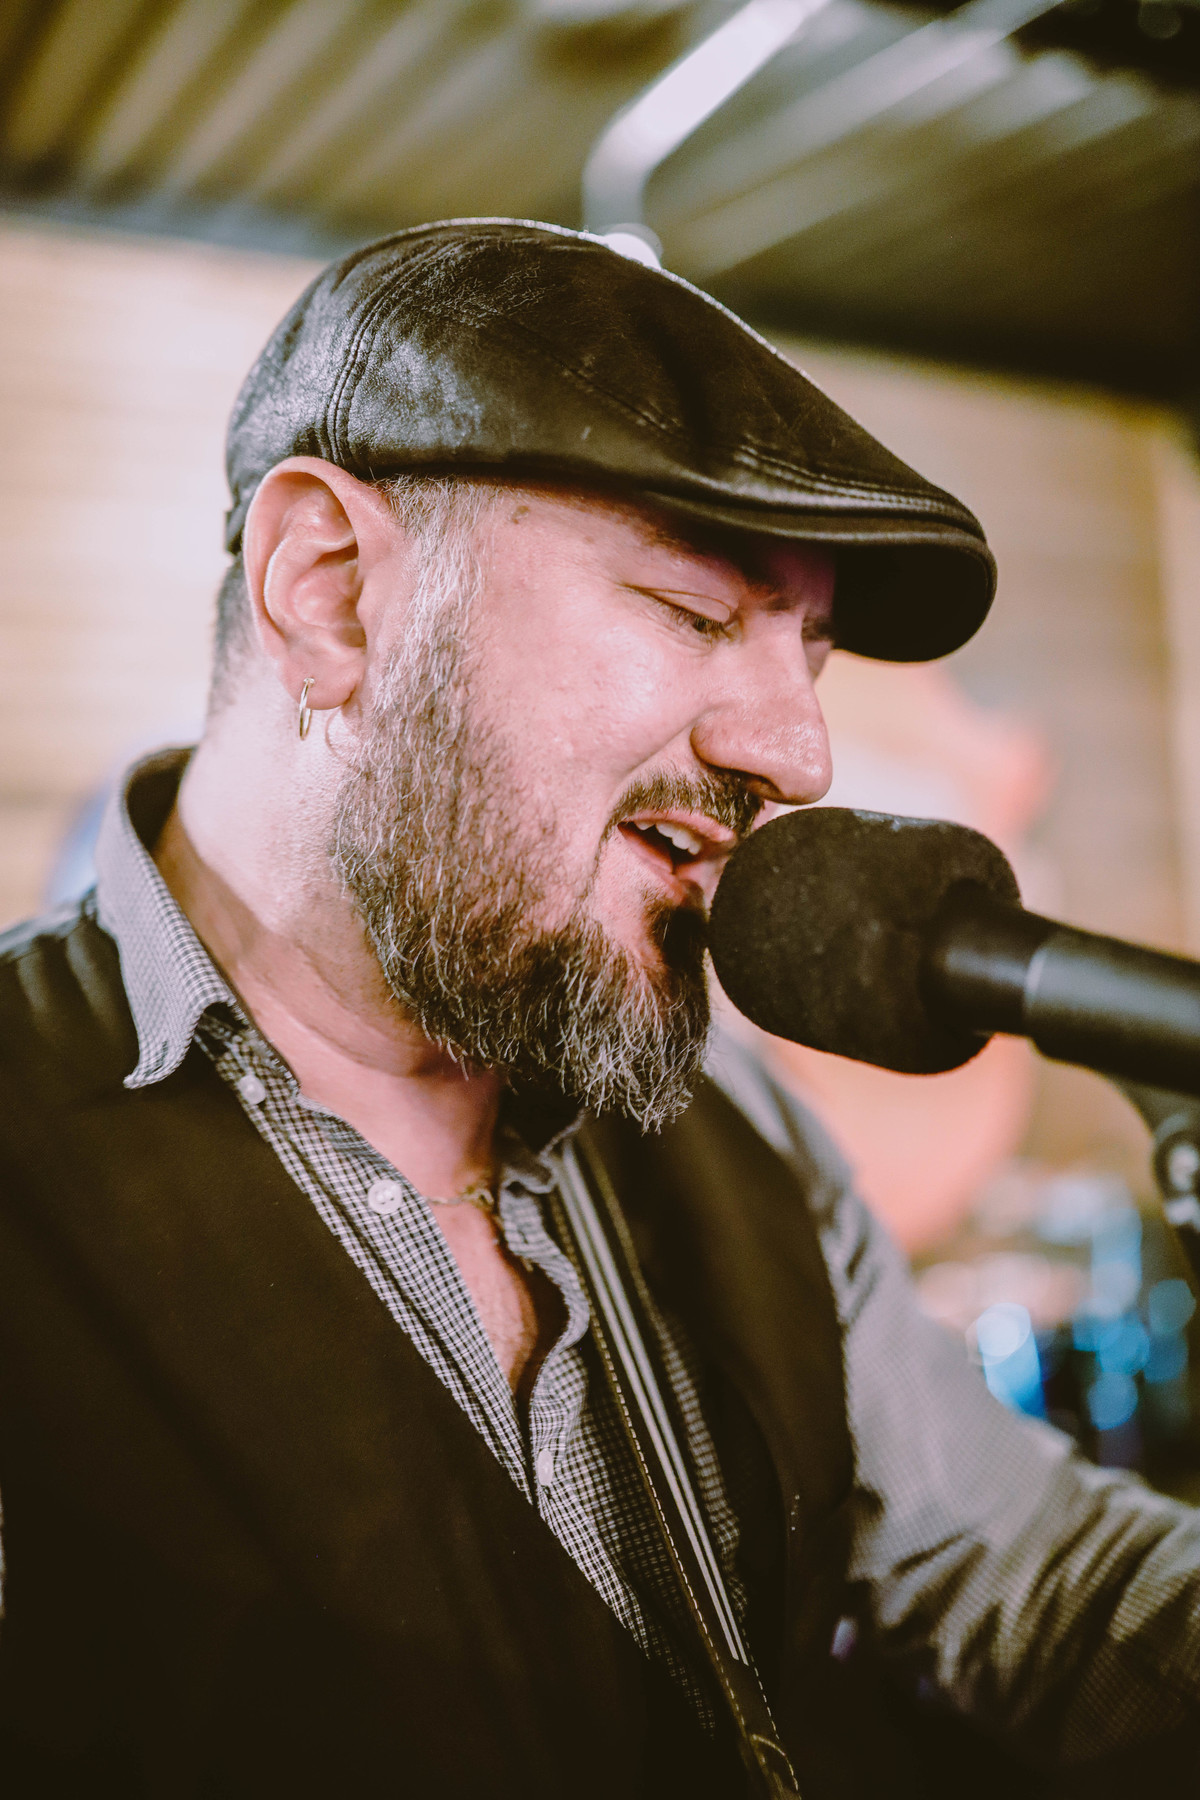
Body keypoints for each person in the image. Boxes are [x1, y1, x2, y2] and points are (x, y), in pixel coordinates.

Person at [0, 219, 1196, 1799]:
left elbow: (1038, 1579)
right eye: (695, 611)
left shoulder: (733, 1120)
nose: (798, 754)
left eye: (811, 653)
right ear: (331, 592)